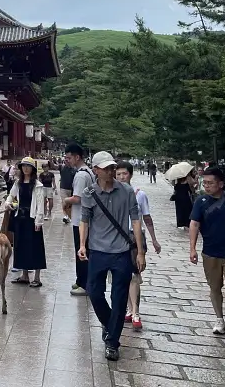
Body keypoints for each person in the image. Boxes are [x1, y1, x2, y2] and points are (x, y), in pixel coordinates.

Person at [78, 151, 145, 362]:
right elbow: (85, 220)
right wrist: (82, 245)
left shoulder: (126, 191)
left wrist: (140, 251)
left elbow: (135, 221)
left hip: (121, 251)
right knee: (95, 292)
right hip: (97, 251)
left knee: (119, 297)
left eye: (112, 168)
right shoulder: (89, 193)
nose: (110, 171)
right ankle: (109, 323)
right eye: (106, 168)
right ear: (95, 170)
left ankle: (113, 342)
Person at [189, 167, 225, 347]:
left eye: (210, 183)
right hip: (210, 252)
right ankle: (219, 319)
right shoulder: (201, 201)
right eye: (204, 182)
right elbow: (194, 223)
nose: (206, 186)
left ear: (221, 183)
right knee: (214, 287)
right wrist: (192, 248)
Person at [115, 161, 160, 331]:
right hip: (116, 238)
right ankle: (128, 308)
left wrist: (154, 240)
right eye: (118, 174)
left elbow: (146, 218)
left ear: (131, 175)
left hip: (134, 238)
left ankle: (136, 312)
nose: (121, 177)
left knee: (134, 275)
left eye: (124, 174)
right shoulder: (111, 194)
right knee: (122, 275)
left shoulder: (139, 195)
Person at [4, 156, 46, 287]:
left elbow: (40, 204)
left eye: (28, 166)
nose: (26, 168)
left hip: (32, 218)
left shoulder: (38, 185)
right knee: (20, 246)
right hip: (20, 217)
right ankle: (24, 275)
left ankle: (37, 277)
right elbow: (11, 195)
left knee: (35, 246)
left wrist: (39, 221)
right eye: (24, 166)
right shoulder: (18, 183)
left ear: (32, 169)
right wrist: (8, 203)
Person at [64, 143, 94, 296]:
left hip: (81, 219)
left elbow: (77, 198)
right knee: (82, 248)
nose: (67, 160)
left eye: (69, 158)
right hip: (83, 218)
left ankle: (85, 283)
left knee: (82, 250)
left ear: (77, 157)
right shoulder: (86, 172)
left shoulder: (81, 175)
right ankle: (81, 279)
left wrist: (65, 200)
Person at [59, 157, 76, 224]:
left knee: (70, 204)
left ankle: (70, 216)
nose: (67, 162)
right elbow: (53, 166)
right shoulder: (61, 167)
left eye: (68, 160)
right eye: (65, 160)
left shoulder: (74, 169)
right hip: (63, 188)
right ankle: (65, 216)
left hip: (71, 189)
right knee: (64, 203)